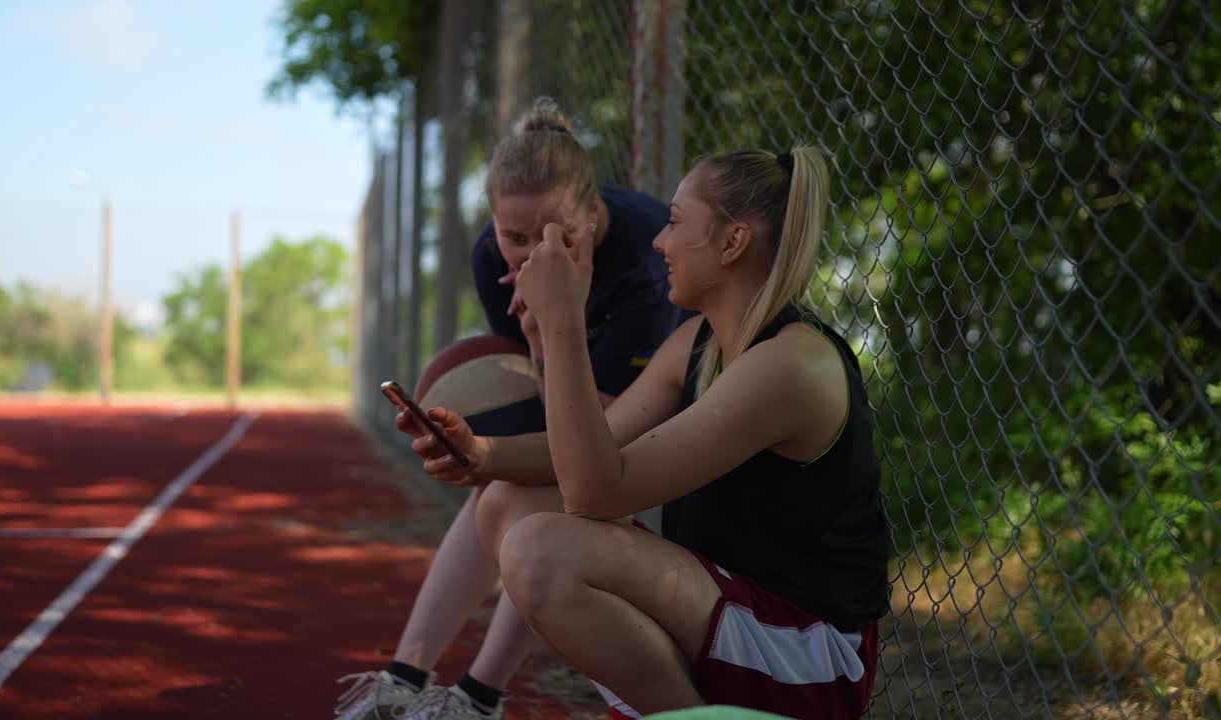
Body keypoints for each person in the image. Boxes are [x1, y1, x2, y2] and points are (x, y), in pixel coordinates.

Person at [399, 145, 892, 719]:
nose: (659, 240)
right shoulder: (698, 343)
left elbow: (595, 491)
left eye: (677, 223)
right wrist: (479, 453)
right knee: (505, 503)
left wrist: (562, 321)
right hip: (728, 609)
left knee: (541, 552)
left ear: (732, 243)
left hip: (807, 653)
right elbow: (596, 444)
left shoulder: (791, 364)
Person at [334, 97, 683, 720]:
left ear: (594, 211)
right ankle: (407, 679)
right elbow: (538, 402)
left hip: (662, 439)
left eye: (555, 233)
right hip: (575, 412)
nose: (530, 252)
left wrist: (551, 330)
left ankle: (477, 693)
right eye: (513, 236)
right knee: (495, 489)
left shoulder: (647, 266)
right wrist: (529, 350)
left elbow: (594, 437)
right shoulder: (491, 256)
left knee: (553, 504)